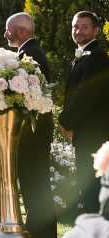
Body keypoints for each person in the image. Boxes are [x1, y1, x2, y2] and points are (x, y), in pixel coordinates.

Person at [4, 12, 56, 237]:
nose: (6, 33)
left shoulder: (30, 54)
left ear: (22, 31)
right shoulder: (29, 52)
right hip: (35, 134)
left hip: (33, 135)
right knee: (35, 188)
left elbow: (29, 97)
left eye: (9, 29)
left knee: (35, 189)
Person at [60, 11, 109, 213]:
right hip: (86, 133)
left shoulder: (97, 57)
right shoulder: (85, 55)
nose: (78, 31)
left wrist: (65, 121)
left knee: (92, 189)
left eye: (84, 27)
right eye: (75, 27)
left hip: (94, 135)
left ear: (96, 30)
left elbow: (86, 96)